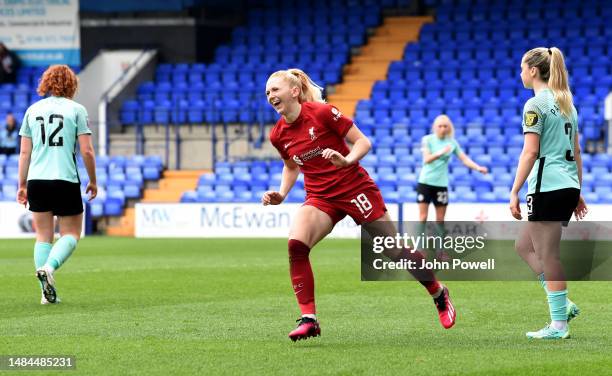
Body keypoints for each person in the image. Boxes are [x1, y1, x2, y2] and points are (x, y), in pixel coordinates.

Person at [262, 68, 456, 342]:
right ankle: (309, 319)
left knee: (394, 250)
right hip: (320, 197)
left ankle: (438, 292)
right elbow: (291, 166)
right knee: (296, 245)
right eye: (267, 92)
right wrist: (282, 194)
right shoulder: (278, 134)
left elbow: (363, 142)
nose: (270, 95)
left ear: (294, 91)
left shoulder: (323, 112)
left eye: (275, 89)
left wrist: (347, 160)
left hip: (354, 188)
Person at [509, 47, 588, 339]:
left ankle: (559, 325)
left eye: (521, 68)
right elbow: (576, 151)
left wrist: (514, 191)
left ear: (532, 71)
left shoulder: (535, 104)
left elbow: (530, 152)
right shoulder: (567, 103)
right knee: (523, 246)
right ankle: (562, 303)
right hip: (565, 183)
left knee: (548, 255)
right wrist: (577, 190)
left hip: (547, 184)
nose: (520, 73)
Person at [17, 65, 97, 304]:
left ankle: (44, 293)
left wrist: (22, 185)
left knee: (43, 236)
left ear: (47, 83)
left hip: (37, 180)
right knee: (72, 233)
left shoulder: (33, 110)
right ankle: (49, 268)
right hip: (65, 178)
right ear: (72, 84)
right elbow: (87, 150)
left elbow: (24, 152)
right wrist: (93, 180)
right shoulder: (77, 110)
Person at [416, 114, 488, 257]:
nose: (442, 129)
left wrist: (477, 167)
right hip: (425, 182)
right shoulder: (427, 140)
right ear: (435, 127)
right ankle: (420, 249)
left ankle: (440, 251)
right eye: (440, 126)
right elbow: (427, 159)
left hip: (441, 185)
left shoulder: (452, 143)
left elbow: (464, 159)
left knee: (440, 219)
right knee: (423, 217)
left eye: (445, 126)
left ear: (449, 128)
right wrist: (440, 152)